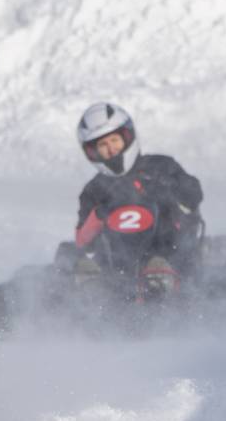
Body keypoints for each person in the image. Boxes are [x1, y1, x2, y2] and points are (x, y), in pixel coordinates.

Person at [73, 102, 203, 288]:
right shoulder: (94, 190)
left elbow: (194, 196)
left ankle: (159, 271)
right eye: (103, 145)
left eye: (114, 141)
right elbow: (82, 240)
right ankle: (93, 291)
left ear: (127, 137)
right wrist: (99, 214)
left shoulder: (161, 166)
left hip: (174, 254)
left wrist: (169, 188)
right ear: (93, 152)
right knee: (74, 264)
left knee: (162, 210)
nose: (111, 150)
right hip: (115, 268)